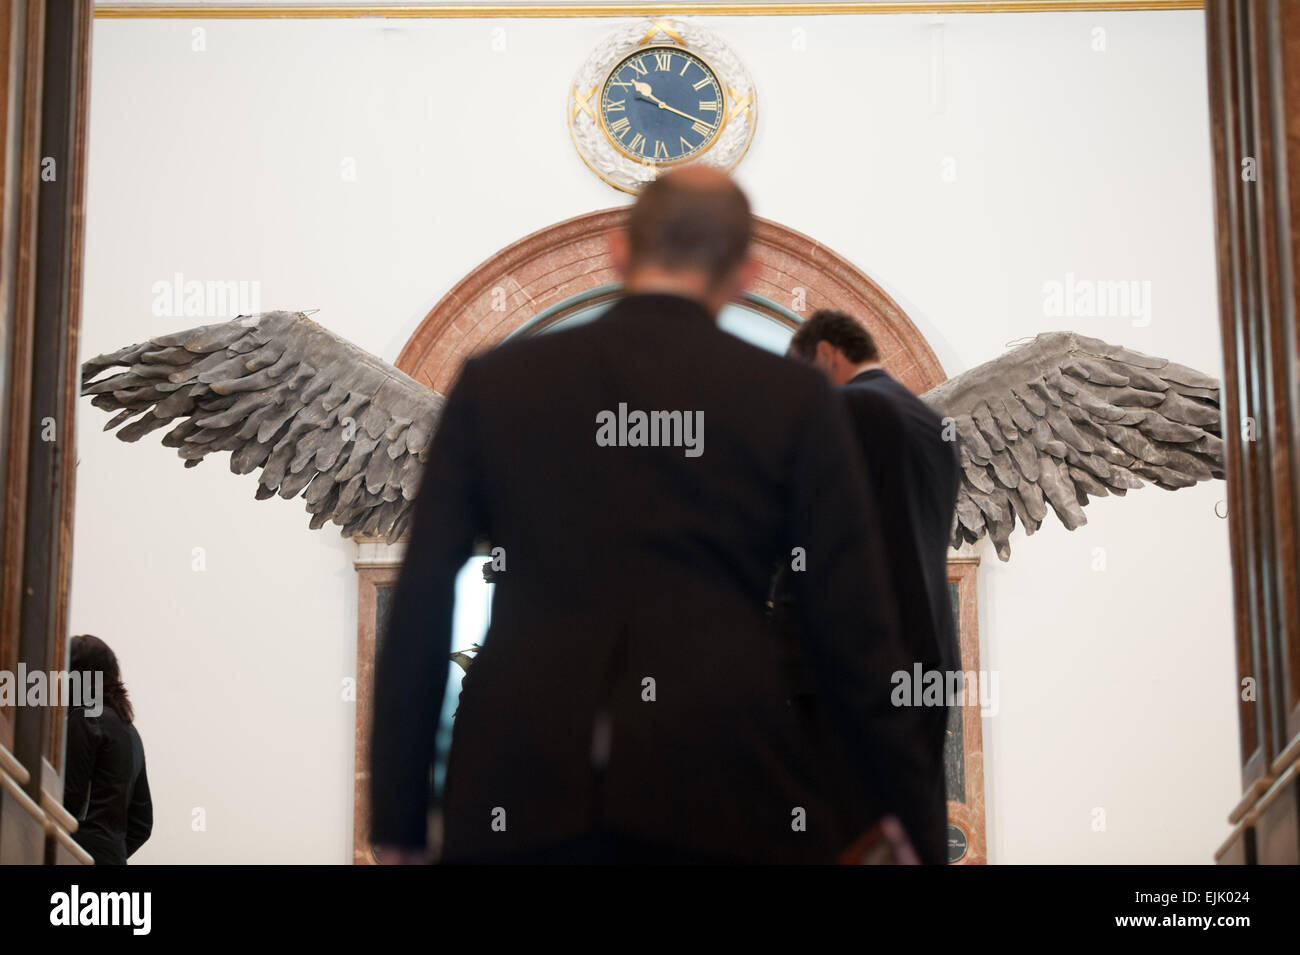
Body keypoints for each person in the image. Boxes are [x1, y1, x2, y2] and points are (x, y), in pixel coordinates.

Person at [370, 167, 929, 864]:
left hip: (518, 784)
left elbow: (420, 598)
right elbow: (854, 631)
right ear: (748, 272)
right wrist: (906, 823)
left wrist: (397, 824)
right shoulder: (791, 399)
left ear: (616, 250)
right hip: (725, 782)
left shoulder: (498, 384)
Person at [782, 310, 961, 865]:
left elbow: (814, 537)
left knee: (843, 832)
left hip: (856, 660)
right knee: (908, 832)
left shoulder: (846, 408)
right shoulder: (934, 426)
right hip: (929, 659)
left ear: (827, 354)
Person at [63, 634, 153, 865]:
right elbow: (142, 825)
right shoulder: (131, 733)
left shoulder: (84, 717)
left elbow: (67, 801)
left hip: (76, 855)